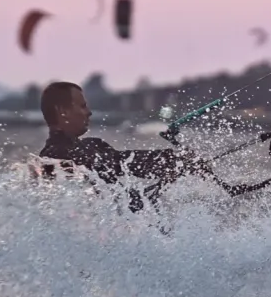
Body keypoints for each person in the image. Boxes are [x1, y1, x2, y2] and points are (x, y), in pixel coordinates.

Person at [35, 81, 235, 208]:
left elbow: (117, 163)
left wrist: (173, 165)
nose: (89, 112)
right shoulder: (62, 155)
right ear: (63, 111)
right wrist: (175, 160)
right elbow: (121, 162)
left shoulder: (52, 155)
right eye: (82, 106)